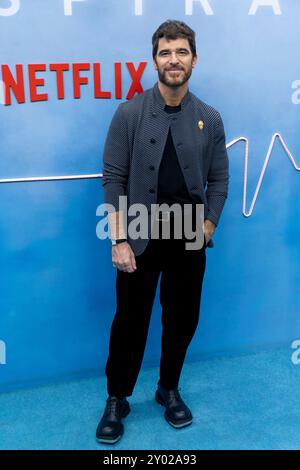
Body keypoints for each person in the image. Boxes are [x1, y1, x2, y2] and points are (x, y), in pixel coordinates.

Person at [96, 19, 229, 444]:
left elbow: (220, 180)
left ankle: (168, 388)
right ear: (154, 60)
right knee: (130, 322)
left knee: (182, 319)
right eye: (166, 52)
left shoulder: (209, 117)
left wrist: (208, 224)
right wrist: (118, 238)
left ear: (194, 59)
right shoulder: (130, 113)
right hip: (139, 230)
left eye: (182, 52)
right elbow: (113, 178)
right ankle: (117, 398)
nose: (174, 60)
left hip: (190, 233)